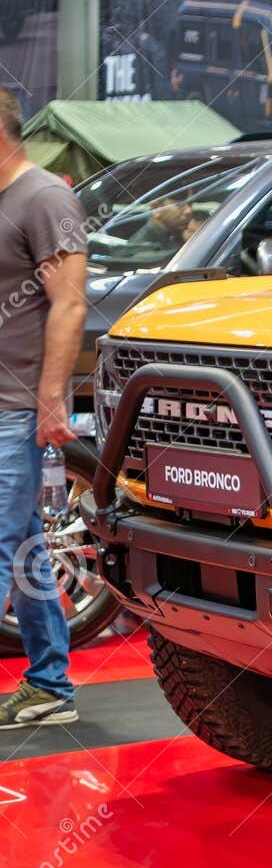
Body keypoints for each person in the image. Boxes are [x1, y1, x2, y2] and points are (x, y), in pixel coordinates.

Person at [0, 86, 89, 729]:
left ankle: (50, 683)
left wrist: (50, 400)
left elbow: (71, 303)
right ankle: (51, 685)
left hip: (15, 409)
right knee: (27, 546)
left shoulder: (45, 197)